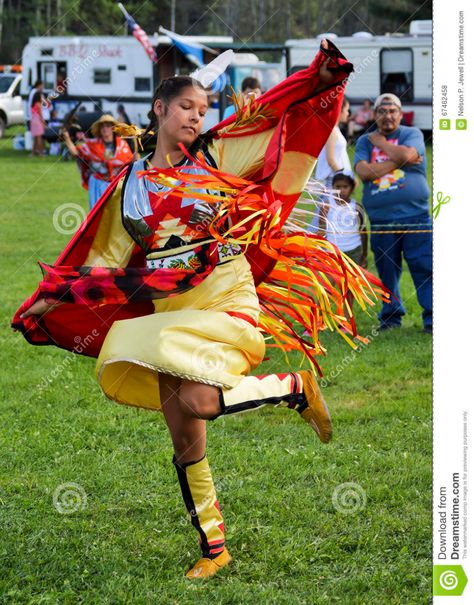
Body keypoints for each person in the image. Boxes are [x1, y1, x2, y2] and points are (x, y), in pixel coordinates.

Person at [14, 43, 386, 579]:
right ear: (160, 109)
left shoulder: (215, 157)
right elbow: (108, 262)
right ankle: (214, 547)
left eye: (204, 109)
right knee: (184, 433)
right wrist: (58, 295)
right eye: (187, 106)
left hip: (224, 293)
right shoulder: (131, 188)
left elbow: (278, 126)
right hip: (170, 309)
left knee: (202, 400)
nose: (197, 115)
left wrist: (312, 81)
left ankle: (294, 388)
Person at [354, 93, 432, 333]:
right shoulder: (364, 142)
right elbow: (364, 173)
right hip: (382, 220)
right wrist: (399, 159)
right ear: (375, 115)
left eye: (392, 111)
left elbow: (409, 155)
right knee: (387, 269)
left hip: (415, 216)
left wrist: (381, 143)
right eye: (382, 111)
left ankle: (433, 318)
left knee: (424, 266)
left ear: (400, 114)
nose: (387, 116)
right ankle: (390, 317)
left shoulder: (411, 134)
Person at [61, 114, 134, 209]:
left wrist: (134, 159)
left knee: (115, 214)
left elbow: (129, 162)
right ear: (99, 129)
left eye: (107, 126)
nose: (105, 129)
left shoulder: (122, 145)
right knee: (97, 215)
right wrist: (67, 138)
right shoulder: (92, 145)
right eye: (102, 126)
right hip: (98, 184)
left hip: (116, 185)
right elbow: (75, 152)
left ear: (113, 128)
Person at [310, 96, 352, 233]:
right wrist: (343, 176)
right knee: (322, 217)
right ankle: (310, 245)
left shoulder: (335, 130)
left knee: (330, 216)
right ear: (339, 111)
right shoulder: (332, 131)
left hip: (336, 180)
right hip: (332, 181)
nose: (348, 114)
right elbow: (330, 159)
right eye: (346, 110)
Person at [320, 172, 367, 268]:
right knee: (330, 280)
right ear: (332, 188)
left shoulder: (357, 207)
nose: (341, 190)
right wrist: (321, 250)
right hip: (332, 250)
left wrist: (364, 253)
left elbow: (363, 231)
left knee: (353, 281)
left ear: (351, 188)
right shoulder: (326, 206)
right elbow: (321, 229)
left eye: (345, 187)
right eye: (338, 187)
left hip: (353, 249)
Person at [30, 91, 46, 156]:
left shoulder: (33, 104)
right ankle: (41, 152)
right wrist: (43, 123)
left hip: (33, 121)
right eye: (41, 96)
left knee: (35, 138)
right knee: (39, 137)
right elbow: (41, 115)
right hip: (38, 121)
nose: (42, 97)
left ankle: (33, 152)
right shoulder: (38, 104)